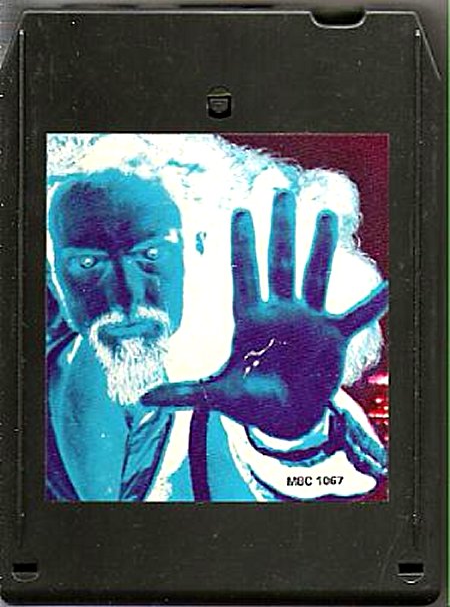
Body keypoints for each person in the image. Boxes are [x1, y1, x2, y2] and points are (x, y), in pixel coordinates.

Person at [46, 135, 388, 502]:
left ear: (196, 250)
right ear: (54, 275)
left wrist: (290, 437)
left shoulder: (247, 371)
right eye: (87, 263)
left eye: (150, 255)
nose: (125, 298)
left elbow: (348, 480)